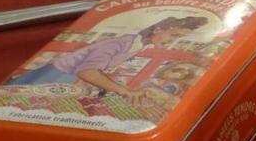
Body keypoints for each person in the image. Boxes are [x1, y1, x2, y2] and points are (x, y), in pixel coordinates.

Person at [10, 16, 207, 105]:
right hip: (52, 76)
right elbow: (86, 71)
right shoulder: (119, 43)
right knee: (16, 102)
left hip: (66, 78)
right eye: (173, 35)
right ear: (158, 30)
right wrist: (124, 91)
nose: (173, 41)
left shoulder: (137, 46)